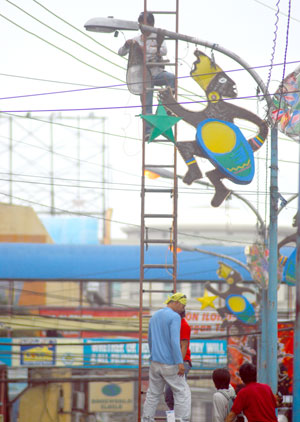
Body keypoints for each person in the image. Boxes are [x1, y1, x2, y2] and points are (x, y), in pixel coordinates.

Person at [118, 11, 175, 138]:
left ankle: (164, 108)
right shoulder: (136, 39)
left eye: (146, 24)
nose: (143, 28)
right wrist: (127, 45)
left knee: (172, 79)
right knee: (146, 105)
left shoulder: (157, 37)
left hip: (157, 73)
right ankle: (148, 131)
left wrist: (145, 50)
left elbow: (164, 51)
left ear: (151, 24)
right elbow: (121, 52)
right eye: (141, 24)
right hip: (144, 77)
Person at [142, 292, 191, 422]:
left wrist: (153, 355)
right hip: (170, 363)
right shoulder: (174, 317)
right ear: (176, 303)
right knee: (181, 392)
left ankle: (146, 419)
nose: (183, 309)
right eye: (183, 306)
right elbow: (175, 341)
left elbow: (149, 339)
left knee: (152, 393)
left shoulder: (155, 316)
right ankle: (181, 419)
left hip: (155, 362)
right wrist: (180, 363)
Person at [164, 309, 192, 410]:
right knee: (169, 395)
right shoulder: (173, 325)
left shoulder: (183, 325)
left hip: (182, 362)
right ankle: (174, 414)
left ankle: (178, 415)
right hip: (172, 362)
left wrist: (178, 364)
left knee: (176, 392)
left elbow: (183, 347)